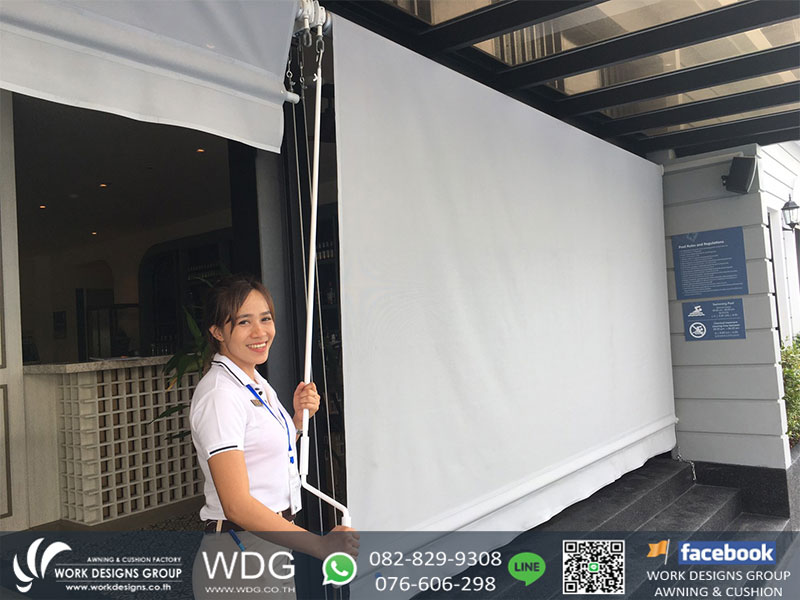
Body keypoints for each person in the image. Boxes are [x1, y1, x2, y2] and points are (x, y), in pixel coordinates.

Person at [190, 275, 358, 598]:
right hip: (240, 553)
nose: (260, 332)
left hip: (266, 547)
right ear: (217, 332)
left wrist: (296, 421)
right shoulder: (220, 395)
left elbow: (260, 457)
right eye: (244, 322)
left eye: (265, 318)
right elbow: (237, 505)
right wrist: (320, 545)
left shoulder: (254, 382)